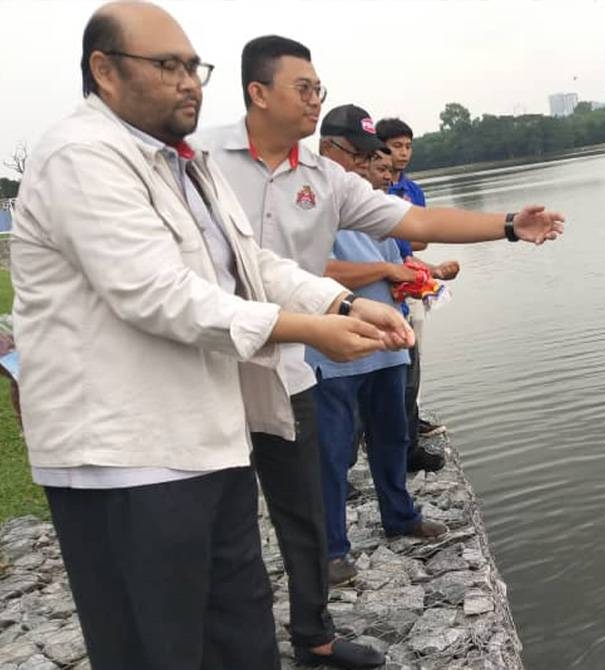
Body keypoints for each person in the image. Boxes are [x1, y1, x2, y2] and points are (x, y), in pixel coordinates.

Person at [11, 4, 411, 670]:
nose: (189, 82)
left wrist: (340, 301)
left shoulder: (183, 164)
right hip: (125, 455)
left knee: (240, 632)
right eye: (167, 65)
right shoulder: (82, 157)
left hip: (208, 436)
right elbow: (158, 294)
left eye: (194, 67)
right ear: (103, 71)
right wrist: (307, 329)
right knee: (161, 646)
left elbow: (252, 263)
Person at [197, 35, 563, 664]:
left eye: (320, 90)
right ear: (257, 92)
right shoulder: (201, 160)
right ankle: (222, 645)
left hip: (293, 360)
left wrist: (505, 226)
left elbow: (414, 223)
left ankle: (313, 636)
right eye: (303, 88)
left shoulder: (325, 180)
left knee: (304, 502)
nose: (314, 99)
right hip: (207, 359)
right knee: (216, 516)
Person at [313, 103, 450, 584]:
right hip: (334, 350)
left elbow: (399, 262)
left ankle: (401, 516)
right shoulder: (307, 205)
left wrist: (421, 278)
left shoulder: (381, 207)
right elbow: (315, 272)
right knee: (330, 452)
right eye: (361, 156)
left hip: (389, 342)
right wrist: (384, 271)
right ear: (329, 149)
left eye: (375, 158)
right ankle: (331, 549)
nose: (371, 168)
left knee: (393, 437)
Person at [377, 117, 451, 469]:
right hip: (381, 284)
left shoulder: (412, 190)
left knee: (413, 349)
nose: (402, 153)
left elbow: (420, 237)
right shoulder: (370, 188)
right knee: (393, 359)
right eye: (396, 146)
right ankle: (390, 436)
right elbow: (406, 235)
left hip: (409, 275)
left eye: (408, 146)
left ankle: (410, 420)